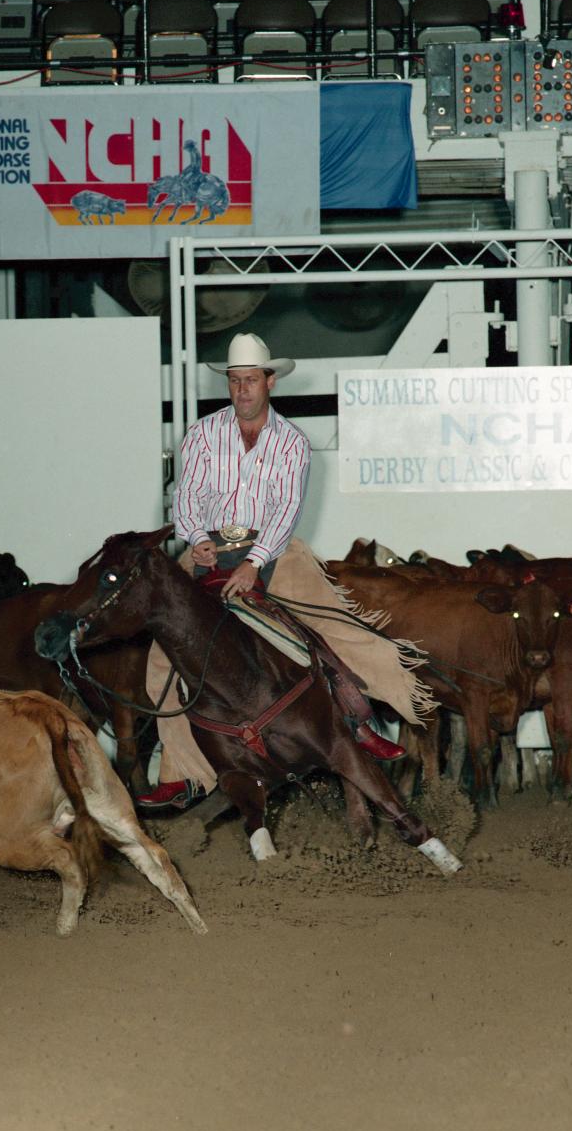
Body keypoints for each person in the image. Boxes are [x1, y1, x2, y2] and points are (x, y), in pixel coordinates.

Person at [137, 332, 435, 810]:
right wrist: (198, 540)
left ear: (270, 381)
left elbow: (287, 507)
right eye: (235, 381)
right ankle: (184, 774)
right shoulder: (201, 434)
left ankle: (364, 723)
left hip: (272, 547)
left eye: (251, 380)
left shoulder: (292, 442)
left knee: (332, 624)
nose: (242, 391)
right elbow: (186, 497)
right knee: (164, 657)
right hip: (207, 544)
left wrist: (255, 563)